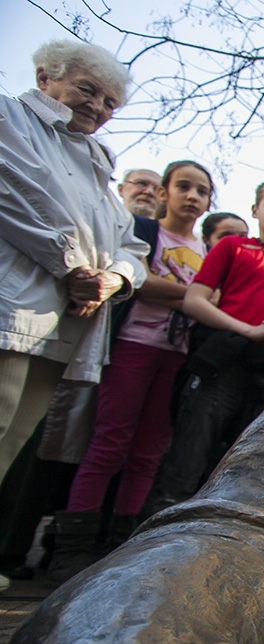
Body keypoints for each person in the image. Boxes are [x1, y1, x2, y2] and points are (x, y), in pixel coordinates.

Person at [46, 160, 215, 584]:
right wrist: (193, 296)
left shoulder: (209, 252)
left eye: (202, 191)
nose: (193, 197)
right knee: (108, 444)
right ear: (164, 193)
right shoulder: (142, 234)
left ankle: (121, 547)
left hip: (177, 358)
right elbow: (140, 283)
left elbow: (210, 300)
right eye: (184, 187)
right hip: (132, 348)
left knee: (148, 453)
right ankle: (71, 550)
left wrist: (185, 297)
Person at [0, 40, 148, 490]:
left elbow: (130, 244)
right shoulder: (10, 117)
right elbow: (15, 195)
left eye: (110, 102)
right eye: (87, 89)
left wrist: (113, 279)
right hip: (14, 301)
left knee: (12, 441)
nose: (98, 106)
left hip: (67, 317)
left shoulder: (97, 160)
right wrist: (74, 268)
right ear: (46, 77)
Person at [143, 180, 264, 516]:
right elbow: (194, 300)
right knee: (186, 462)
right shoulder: (233, 248)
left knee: (241, 473)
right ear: (255, 211)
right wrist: (247, 330)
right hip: (221, 370)